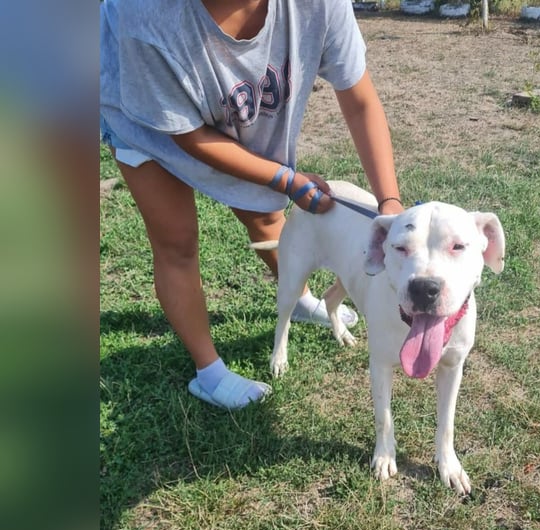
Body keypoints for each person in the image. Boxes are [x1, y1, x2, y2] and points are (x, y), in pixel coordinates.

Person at [100, 0, 403, 410]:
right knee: (176, 242)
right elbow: (189, 137)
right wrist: (284, 178)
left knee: (264, 212)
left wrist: (389, 203)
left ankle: (298, 299)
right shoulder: (146, 13)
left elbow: (360, 101)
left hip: (228, 101)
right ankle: (209, 373)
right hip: (148, 120)